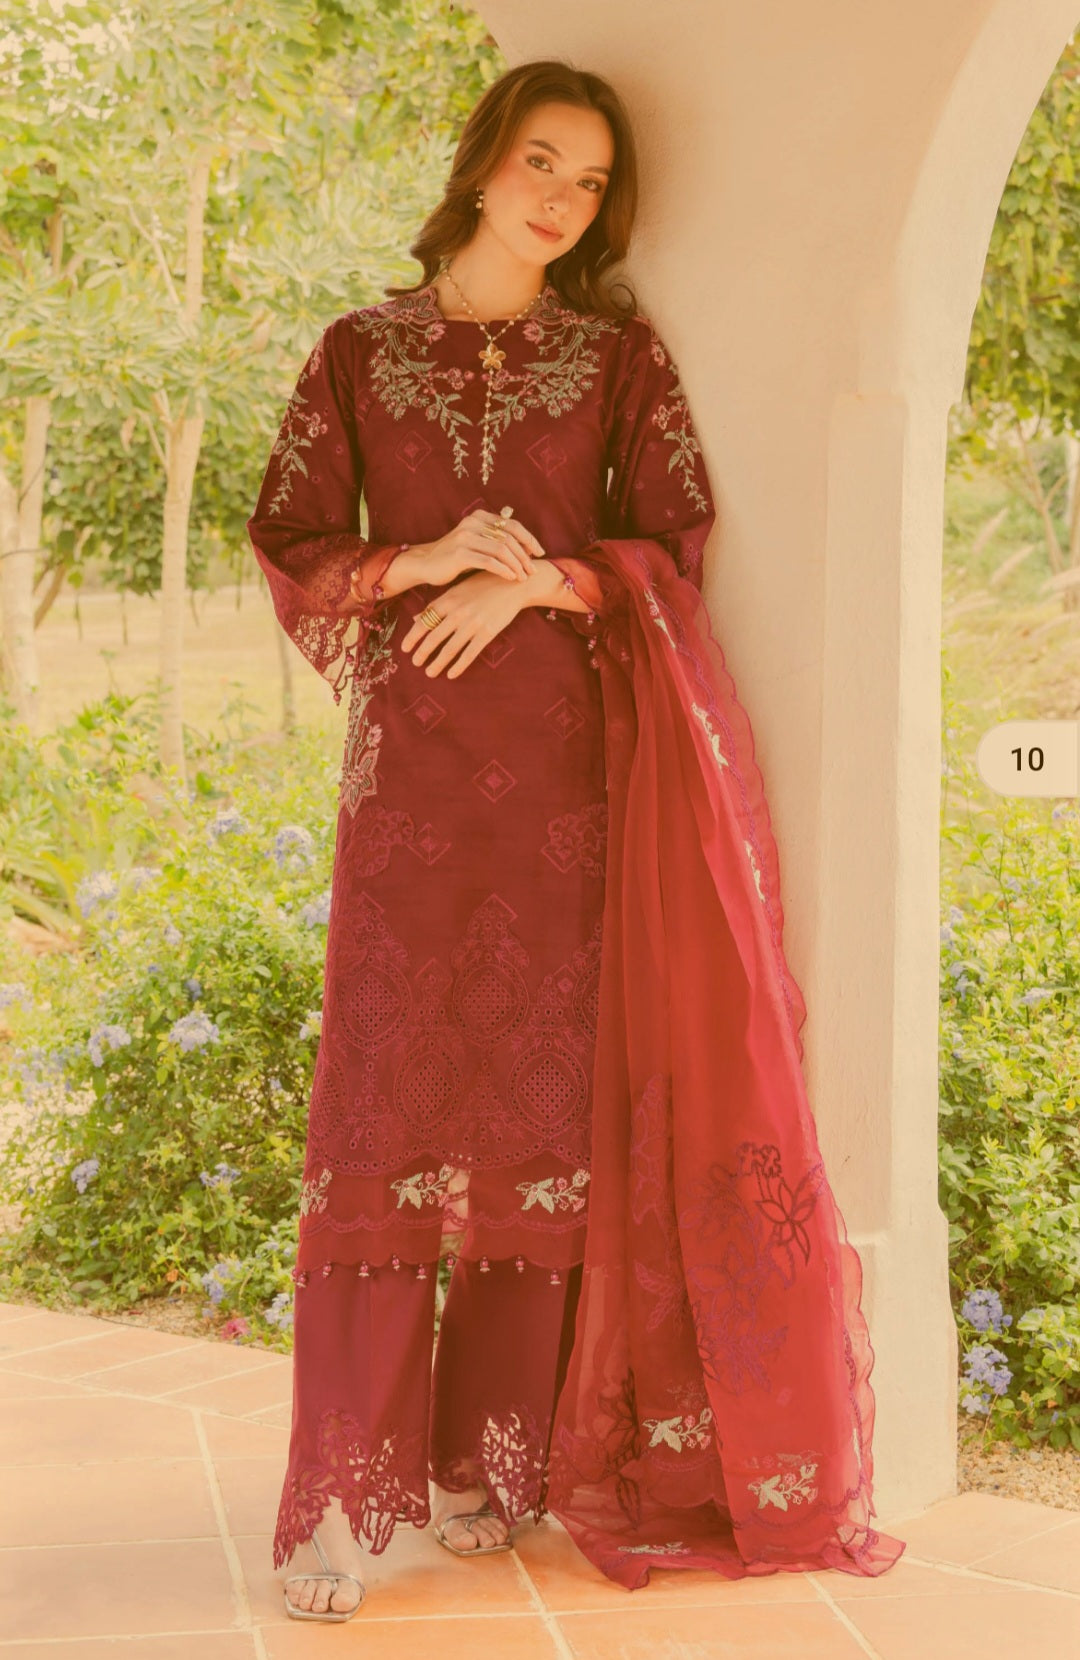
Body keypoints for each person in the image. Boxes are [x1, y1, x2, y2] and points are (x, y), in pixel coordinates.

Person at [247, 57, 907, 1624]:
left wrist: (533, 581)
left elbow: (672, 538)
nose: (559, 198)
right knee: (386, 1111)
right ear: (483, 162)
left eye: (590, 181)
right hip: (409, 792)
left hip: (564, 790)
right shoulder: (358, 354)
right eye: (540, 161)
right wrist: (421, 561)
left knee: (532, 1126)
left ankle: (476, 1460)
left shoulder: (614, 363)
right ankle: (338, 1495)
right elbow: (292, 539)